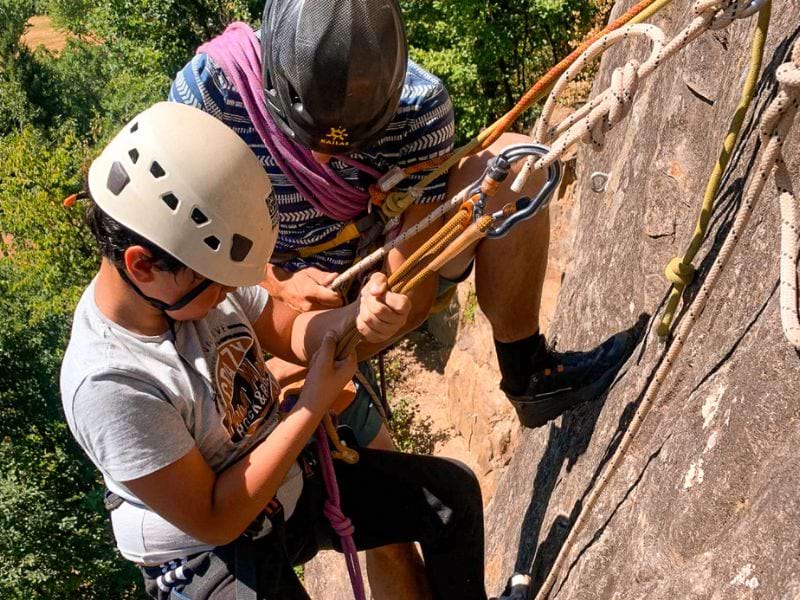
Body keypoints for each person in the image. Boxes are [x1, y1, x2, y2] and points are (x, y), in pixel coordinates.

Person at [60, 102, 487, 600]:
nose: (228, 295)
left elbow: (288, 327)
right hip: (207, 554)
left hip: (283, 482)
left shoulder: (192, 270)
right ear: (142, 266)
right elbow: (216, 517)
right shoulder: (111, 384)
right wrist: (309, 407)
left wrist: (355, 316)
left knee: (448, 497)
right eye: (217, 285)